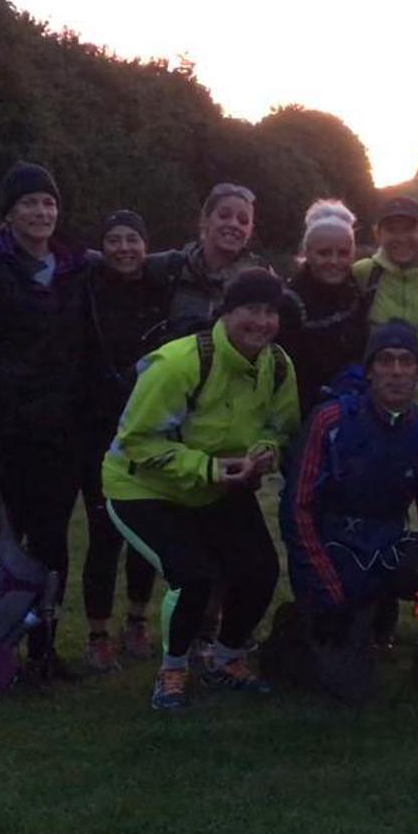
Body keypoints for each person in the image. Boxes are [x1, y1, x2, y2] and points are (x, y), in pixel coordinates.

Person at [101, 268, 301, 711]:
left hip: (214, 487)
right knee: (191, 575)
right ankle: (173, 670)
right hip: (140, 486)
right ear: (226, 313)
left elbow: (280, 426)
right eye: (251, 309)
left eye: (271, 312)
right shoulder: (178, 364)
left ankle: (225, 660)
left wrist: (262, 453)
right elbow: (136, 441)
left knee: (261, 570)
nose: (262, 322)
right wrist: (209, 468)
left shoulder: (278, 364)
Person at [278, 320, 418, 704]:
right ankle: (298, 628)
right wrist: (329, 592)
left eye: (407, 362)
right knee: (350, 695)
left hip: (390, 554)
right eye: (386, 361)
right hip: (334, 560)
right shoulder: (330, 422)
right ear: (370, 370)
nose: (396, 371)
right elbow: (297, 512)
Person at [0, 160, 92, 683]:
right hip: (3, 439)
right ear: (9, 213)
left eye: (49, 202)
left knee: (52, 547)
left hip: (58, 438)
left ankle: (44, 651)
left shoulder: (76, 269)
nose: (41, 211)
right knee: (0, 550)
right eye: (30, 203)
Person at [80, 209, 169, 670]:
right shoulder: (88, 291)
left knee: (144, 531)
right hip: (100, 425)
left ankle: (136, 621)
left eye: (132, 239)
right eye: (113, 240)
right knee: (104, 532)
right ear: (102, 247)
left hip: (149, 425)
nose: (123, 248)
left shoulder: (159, 289)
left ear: (144, 245)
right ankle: (97, 633)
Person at [352, 198, 418, 426]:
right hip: (376, 417)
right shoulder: (363, 274)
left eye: (409, 229)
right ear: (377, 234)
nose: (401, 238)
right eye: (391, 230)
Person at [279, 199, 371, 416]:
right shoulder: (290, 303)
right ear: (307, 253)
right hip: (304, 415)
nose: (334, 261)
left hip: (355, 411)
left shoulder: (357, 290)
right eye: (324, 253)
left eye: (342, 253)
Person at [158, 182, 268, 337]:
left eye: (243, 220)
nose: (233, 224)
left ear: (250, 231)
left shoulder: (261, 279)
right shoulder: (170, 267)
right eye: (224, 215)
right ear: (205, 220)